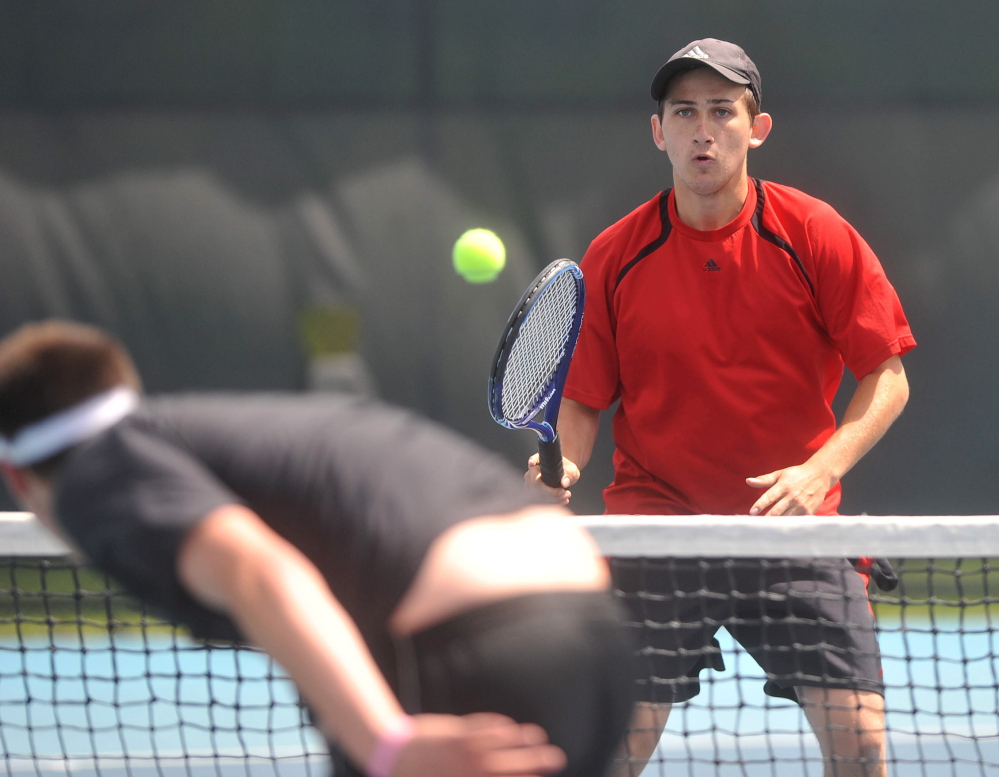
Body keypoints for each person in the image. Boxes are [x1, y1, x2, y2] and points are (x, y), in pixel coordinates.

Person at [0, 320, 637, 777]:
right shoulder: (209, 433)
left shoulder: (97, 469)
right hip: (596, 631)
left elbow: (257, 569)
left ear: (17, 477)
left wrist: (387, 745)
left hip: (476, 644)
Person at [526, 39, 915, 777]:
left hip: (792, 530)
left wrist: (815, 471)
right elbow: (581, 402)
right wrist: (564, 461)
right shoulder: (616, 254)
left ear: (754, 127)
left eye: (720, 111)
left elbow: (887, 377)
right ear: (658, 132)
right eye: (683, 113)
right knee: (610, 751)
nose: (701, 130)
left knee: (861, 748)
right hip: (657, 527)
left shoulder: (813, 235)